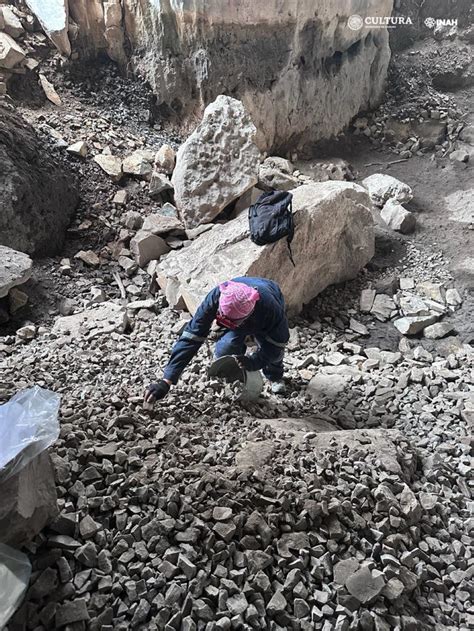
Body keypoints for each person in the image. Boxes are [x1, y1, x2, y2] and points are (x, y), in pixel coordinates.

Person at [144, 277, 289, 403]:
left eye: (231, 323)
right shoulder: (216, 297)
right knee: (226, 347)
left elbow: (276, 344)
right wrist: (166, 380)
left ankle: (275, 376)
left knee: (273, 353)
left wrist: (254, 361)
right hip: (241, 310)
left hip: (267, 298)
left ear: (246, 318)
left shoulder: (271, 310)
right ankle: (232, 378)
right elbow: (192, 337)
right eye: (221, 318)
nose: (225, 324)